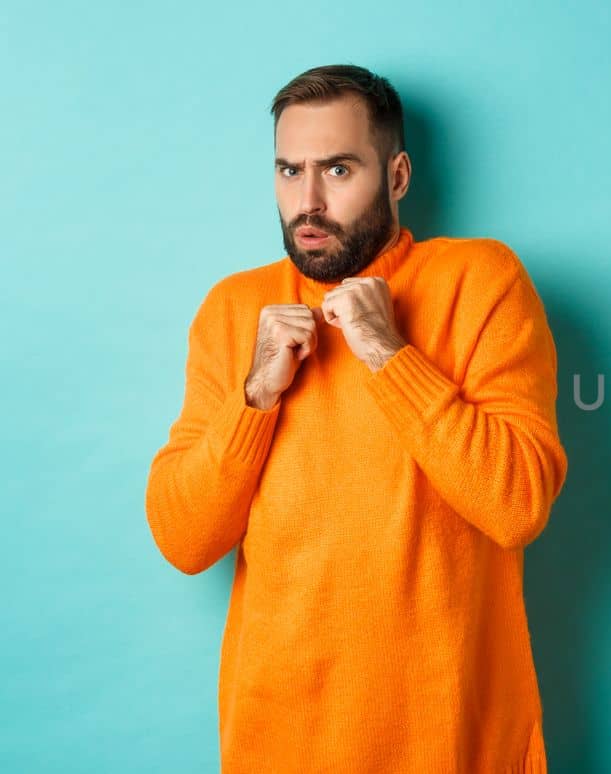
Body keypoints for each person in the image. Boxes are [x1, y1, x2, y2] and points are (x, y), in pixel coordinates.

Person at [143, 64, 569, 773]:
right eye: (288, 171)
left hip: (451, 737)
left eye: (338, 170)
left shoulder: (481, 281)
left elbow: (517, 503)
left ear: (397, 176)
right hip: (278, 741)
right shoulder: (233, 309)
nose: (306, 201)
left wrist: (388, 352)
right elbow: (183, 539)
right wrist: (255, 399)